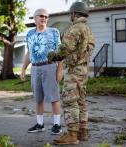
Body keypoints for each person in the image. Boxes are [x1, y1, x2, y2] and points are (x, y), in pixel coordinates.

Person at [48, 2, 95, 145]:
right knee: (81, 100)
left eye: (71, 14)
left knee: (69, 101)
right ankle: (82, 131)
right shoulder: (88, 29)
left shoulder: (74, 29)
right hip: (83, 70)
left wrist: (53, 55)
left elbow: (64, 49)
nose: (70, 16)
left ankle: (72, 135)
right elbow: (90, 47)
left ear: (74, 14)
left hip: (74, 70)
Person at [20, 8, 63, 135]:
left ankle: (57, 125)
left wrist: (60, 70)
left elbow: (60, 52)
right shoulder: (29, 34)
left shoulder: (54, 32)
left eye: (46, 16)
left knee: (54, 97)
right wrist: (23, 68)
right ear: (35, 18)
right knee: (38, 98)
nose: (44, 18)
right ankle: (40, 124)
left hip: (49, 66)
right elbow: (29, 52)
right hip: (35, 68)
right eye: (41, 16)